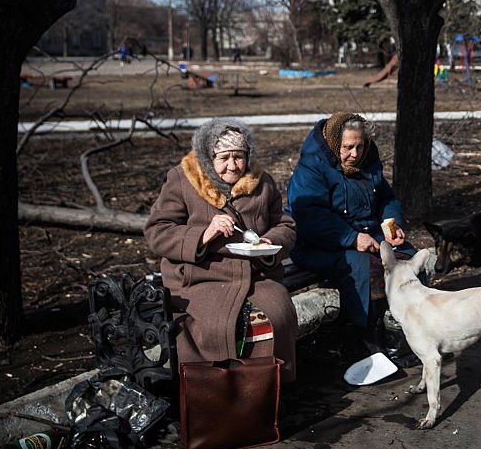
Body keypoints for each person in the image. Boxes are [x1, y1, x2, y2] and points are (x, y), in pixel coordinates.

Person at [145, 118, 299, 382]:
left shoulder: (262, 183)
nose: (232, 166)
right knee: (212, 327)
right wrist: (203, 235)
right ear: (208, 157)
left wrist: (268, 243)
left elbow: (285, 225)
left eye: (239, 157)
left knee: (279, 316)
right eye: (224, 157)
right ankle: (214, 392)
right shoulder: (184, 180)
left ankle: (265, 389)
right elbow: (157, 231)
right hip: (200, 278)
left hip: (255, 276)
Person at [285, 112, 417, 365]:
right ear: (335, 143)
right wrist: (350, 237)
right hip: (320, 244)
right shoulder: (312, 166)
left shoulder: (368, 159)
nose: (355, 154)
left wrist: (392, 223)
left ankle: (402, 332)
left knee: (406, 258)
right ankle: (366, 341)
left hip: (368, 235)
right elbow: (308, 216)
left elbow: (387, 198)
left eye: (360, 146)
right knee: (365, 267)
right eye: (348, 147)